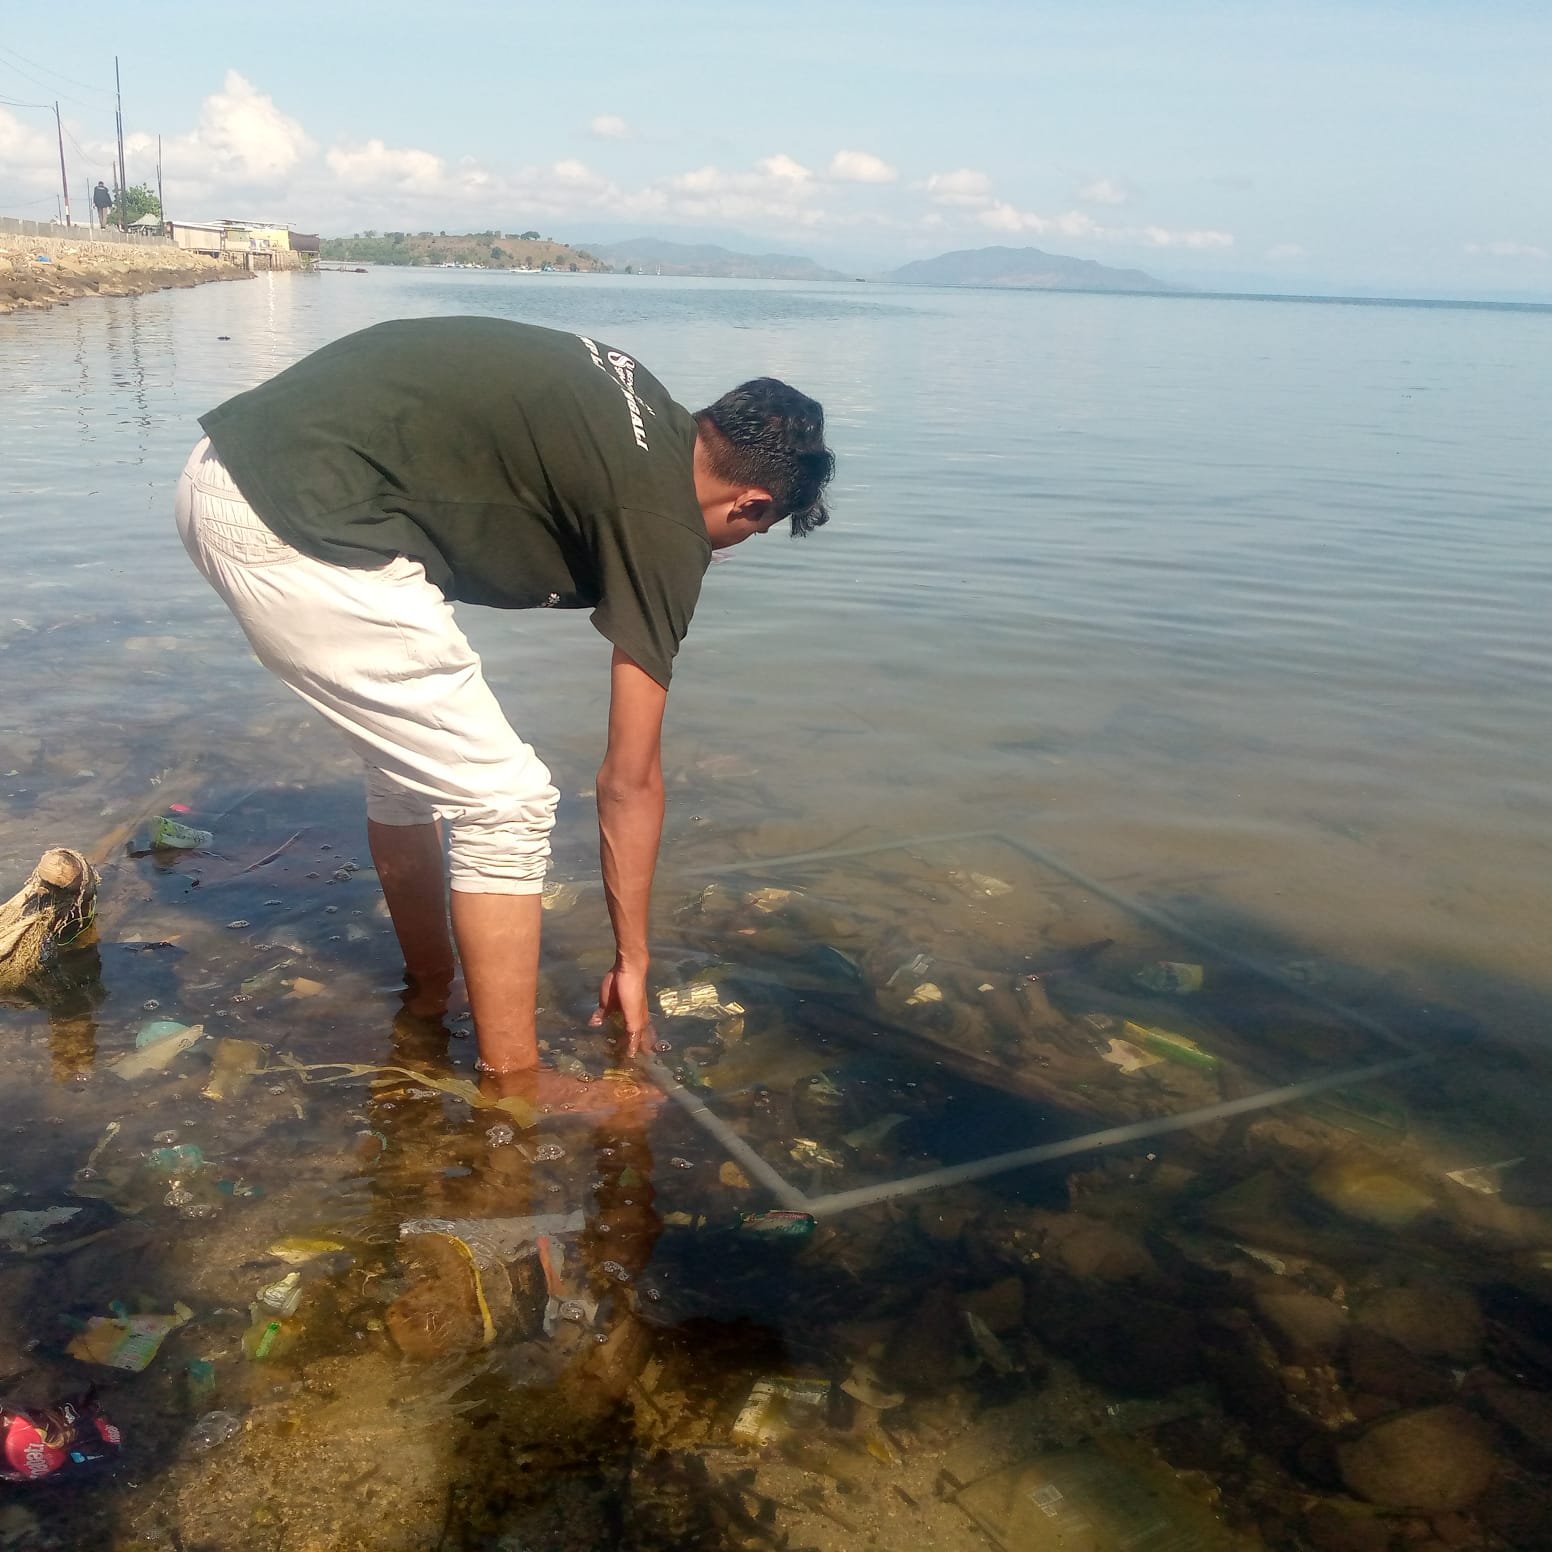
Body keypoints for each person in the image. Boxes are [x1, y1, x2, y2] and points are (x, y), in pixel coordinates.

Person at [176, 316, 833, 1097]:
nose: (729, 550)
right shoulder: (662, 519)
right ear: (753, 502)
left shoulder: (640, 404)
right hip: (300, 521)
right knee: (507, 802)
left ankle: (429, 990)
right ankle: (515, 1085)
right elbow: (629, 779)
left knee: (414, 768)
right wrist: (634, 960)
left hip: (232, 470)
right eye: (750, 534)